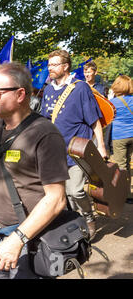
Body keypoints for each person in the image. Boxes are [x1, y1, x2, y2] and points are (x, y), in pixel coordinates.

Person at [0, 62, 69, 279]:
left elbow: (56, 199)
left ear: (20, 94)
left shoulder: (46, 134)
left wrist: (17, 239)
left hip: (28, 236)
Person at [41, 50, 106, 239]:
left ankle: (88, 216)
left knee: (76, 191)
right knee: (61, 193)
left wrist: (101, 146)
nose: (50, 68)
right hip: (54, 151)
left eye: (54, 65)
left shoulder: (80, 88)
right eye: (49, 64)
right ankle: (75, 222)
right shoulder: (48, 89)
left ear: (65, 66)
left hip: (76, 149)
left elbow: (94, 120)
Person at [109, 75, 133, 204]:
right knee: (128, 164)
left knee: (120, 166)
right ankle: (128, 193)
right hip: (132, 135)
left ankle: (122, 194)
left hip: (120, 136)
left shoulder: (113, 102)